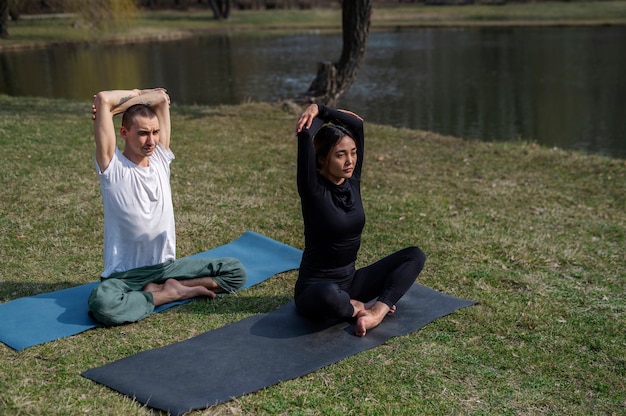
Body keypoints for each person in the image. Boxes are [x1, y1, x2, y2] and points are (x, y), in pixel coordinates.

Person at [87, 88, 246, 326]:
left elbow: (161, 98)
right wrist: (121, 102)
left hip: (166, 268)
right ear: (123, 132)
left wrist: (114, 110)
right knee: (103, 305)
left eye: (155, 132)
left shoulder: (161, 158)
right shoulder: (112, 166)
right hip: (127, 275)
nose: (151, 141)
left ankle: (166, 287)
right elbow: (103, 99)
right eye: (142, 133)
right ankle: (168, 293)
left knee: (235, 272)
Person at [294, 103, 426, 337]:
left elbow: (356, 124)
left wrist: (322, 108)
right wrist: (312, 114)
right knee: (329, 295)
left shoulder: (351, 180)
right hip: (315, 289)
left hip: (351, 282)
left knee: (414, 256)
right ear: (321, 159)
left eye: (353, 153)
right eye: (340, 154)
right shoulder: (312, 188)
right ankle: (355, 308)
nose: (350, 161)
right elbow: (305, 133)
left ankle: (377, 311)